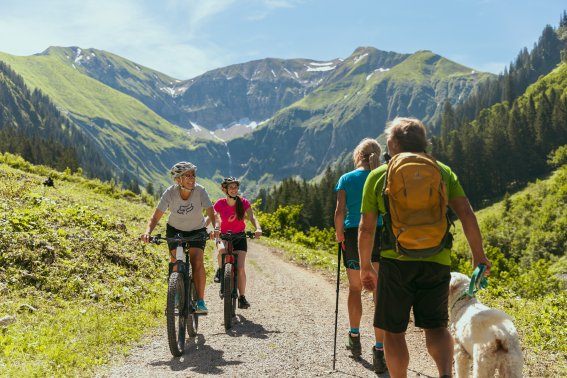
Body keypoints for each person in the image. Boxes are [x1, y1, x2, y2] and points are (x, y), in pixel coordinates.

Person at [359, 117, 491, 378]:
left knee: (394, 331)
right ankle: (444, 374)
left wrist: (365, 266)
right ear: (423, 142)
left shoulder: (377, 175)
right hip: (436, 259)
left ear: (393, 144)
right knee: (436, 327)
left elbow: (366, 228)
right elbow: (466, 212)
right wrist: (479, 256)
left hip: (395, 261)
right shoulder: (442, 170)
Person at [334, 138, 387, 373]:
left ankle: (354, 336)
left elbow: (339, 211)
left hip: (354, 233)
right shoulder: (384, 175)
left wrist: (339, 235)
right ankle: (379, 350)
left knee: (355, 288)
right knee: (379, 292)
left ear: (358, 156)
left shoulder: (346, 178)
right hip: (380, 232)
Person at [140, 161, 216, 315]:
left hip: (197, 230)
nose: (192, 178)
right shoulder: (170, 193)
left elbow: (211, 212)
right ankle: (174, 295)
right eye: (187, 175)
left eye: (193, 175)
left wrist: (216, 229)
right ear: (178, 179)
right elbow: (155, 218)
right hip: (175, 230)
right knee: (175, 262)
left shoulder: (200, 191)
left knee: (197, 260)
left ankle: (200, 300)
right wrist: (147, 232)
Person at [213, 177, 262, 309]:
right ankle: (220, 269)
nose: (234, 190)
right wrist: (210, 229)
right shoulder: (219, 203)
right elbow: (213, 217)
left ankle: (242, 297)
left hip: (240, 237)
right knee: (222, 251)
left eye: (235, 187)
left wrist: (258, 228)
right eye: (231, 187)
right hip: (223, 235)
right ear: (225, 190)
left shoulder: (243, 202)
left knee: (240, 268)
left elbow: (252, 217)